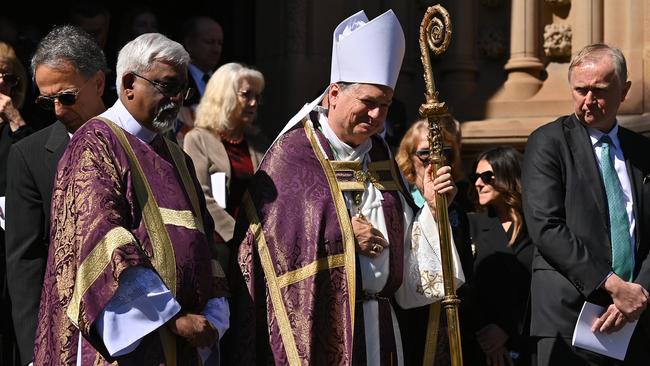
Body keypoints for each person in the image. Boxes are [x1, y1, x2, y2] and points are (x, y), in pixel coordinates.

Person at [225, 10, 464, 365]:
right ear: (334, 93)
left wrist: (430, 208)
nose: (376, 116)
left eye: (385, 105)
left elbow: (412, 263)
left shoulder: (380, 154)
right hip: (324, 324)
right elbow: (267, 248)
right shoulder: (293, 154)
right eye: (367, 103)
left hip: (384, 329)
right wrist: (343, 234)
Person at [33, 32, 229, 365]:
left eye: (183, 89)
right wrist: (171, 316)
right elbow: (104, 240)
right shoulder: (94, 144)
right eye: (167, 86)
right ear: (128, 84)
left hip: (186, 341)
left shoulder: (178, 158)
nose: (178, 98)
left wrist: (215, 313)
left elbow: (203, 240)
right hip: (128, 344)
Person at [522, 43, 650, 365]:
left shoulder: (643, 152)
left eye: (600, 90)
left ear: (625, 91)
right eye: (580, 90)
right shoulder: (548, 142)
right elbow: (546, 227)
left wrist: (637, 293)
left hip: (635, 321)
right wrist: (612, 285)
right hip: (570, 320)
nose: (588, 101)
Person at [4, 25, 107, 366]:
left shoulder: (141, 145)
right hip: (66, 336)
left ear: (100, 83)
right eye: (46, 101)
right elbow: (26, 262)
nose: (59, 110)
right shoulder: (30, 156)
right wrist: (37, 351)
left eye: (66, 97)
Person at [395, 119, 478, 365]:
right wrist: (430, 209)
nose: (435, 163)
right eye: (425, 155)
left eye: (443, 154)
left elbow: (466, 268)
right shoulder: (398, 201)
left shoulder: (458, 208)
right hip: (409, 317)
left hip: (450, 319)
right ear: (409, 158)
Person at [183, 62, 268, 269]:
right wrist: (237, 235)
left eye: (257, 96)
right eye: (247, 95)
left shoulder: (258, 142)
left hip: (258, 245)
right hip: (218, 248)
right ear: (224, 95)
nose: (254, 102)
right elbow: (199, 194)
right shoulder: (197, 139)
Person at [468, 146, 533, 366]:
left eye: (487, 177)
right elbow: (464, 287)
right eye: (476, 177)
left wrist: (507, 328)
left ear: (510, 175)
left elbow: (546, 287)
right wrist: (488, 338)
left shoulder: (541, 226)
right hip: (482, 349)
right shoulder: (471, 225)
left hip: (530, 343)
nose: (478, 183)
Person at [0, 40, 30, 366]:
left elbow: (31, 163)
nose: (4, 85)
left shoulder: (17, 126)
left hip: (8, 237)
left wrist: (13, 117)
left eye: (10, 79)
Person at [177, 16, 224, 140]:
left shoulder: (224, 82)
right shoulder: (177, 80)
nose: (216, 49)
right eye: (209, 42)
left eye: (219, 43)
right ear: (189, 43)